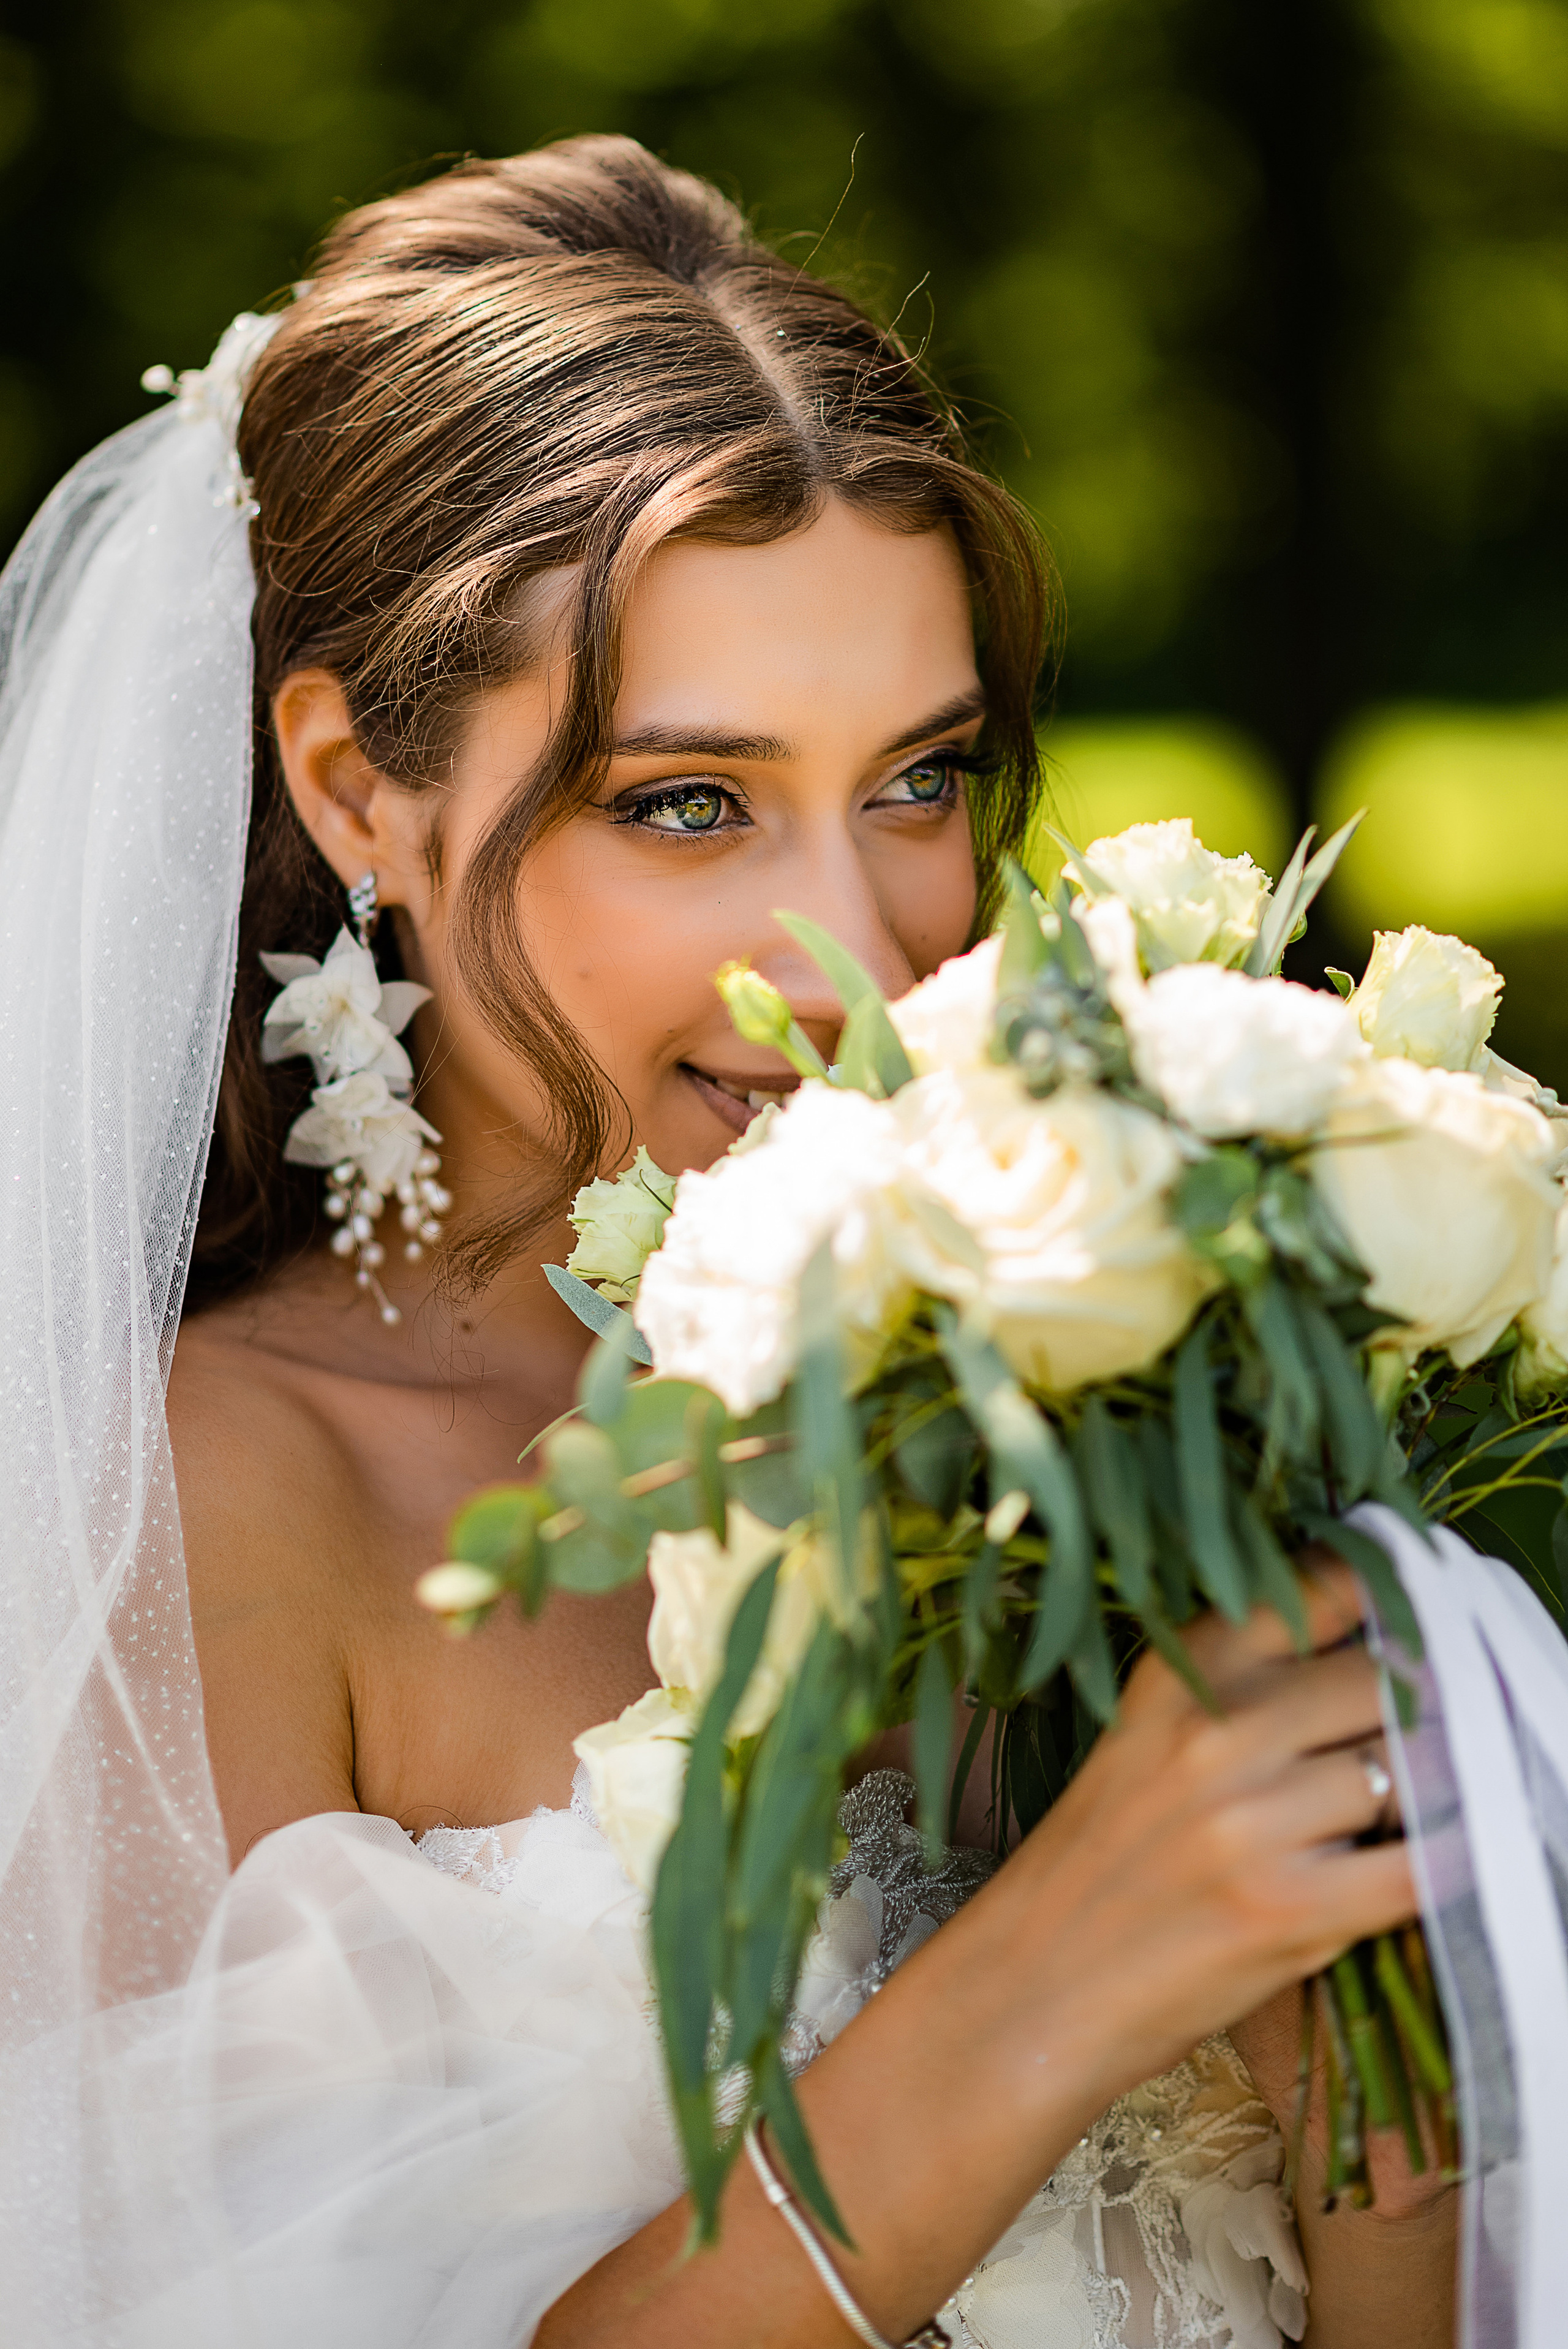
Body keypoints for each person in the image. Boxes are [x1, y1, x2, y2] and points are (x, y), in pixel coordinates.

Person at [0, 137, 1455, 2348]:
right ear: (353, 788)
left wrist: (1373, 2053)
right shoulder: (189, 1519)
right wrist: (1059, 1971)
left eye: (919, 779)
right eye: (689, 802)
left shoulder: (1109, 1357)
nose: (864, 950)